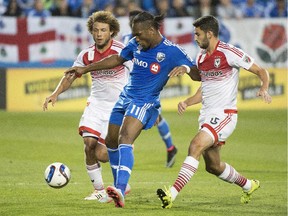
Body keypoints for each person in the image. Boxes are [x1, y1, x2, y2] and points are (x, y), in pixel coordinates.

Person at [64, 11, 200, 208]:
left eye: (139, 34)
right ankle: (118, 187)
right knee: (111, 140)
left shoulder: (172, 51)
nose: (136, 38)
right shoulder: (136, 43)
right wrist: (85, 69)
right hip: (125, 97)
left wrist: (186, 69)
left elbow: (197, 74)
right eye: (134, 34)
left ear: (152, 31)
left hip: (145, 101)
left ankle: (120, 188)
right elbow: (117, 59)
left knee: (125, 138)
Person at [156, 15, 272, 209]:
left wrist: (264, 87)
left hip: (225, 114)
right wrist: (188, 101)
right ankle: (249, 185)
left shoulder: (229, 52)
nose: (195, 37)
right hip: (207, 115)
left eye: (197, 34)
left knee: (195, 145)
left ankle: (171, 194)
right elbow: (205, 88)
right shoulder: (201, 57)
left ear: (209, 34)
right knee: (213, 166)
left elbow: (261, 71)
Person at [43, 11, 131, 203]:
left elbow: (137, 73)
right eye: (96, 30)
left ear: (111, 32)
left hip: (117, 108)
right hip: (96, 105)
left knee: (103, 154)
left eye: (103, 30)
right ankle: (99, 190)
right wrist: (56, 93)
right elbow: (71, 75)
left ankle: (121, 178)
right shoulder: (87, 54)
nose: (99, 34)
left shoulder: (122, 51)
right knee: (89, 146)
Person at [122, 10, 178, 168]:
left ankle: (170, 147)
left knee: (155, 118)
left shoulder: (151, 42)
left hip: (144, 86)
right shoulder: (129, 39)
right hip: (129, 83)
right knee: (151, 118)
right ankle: (170, 147)